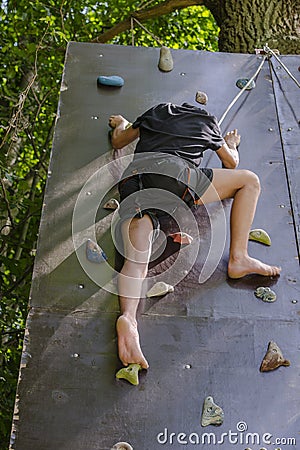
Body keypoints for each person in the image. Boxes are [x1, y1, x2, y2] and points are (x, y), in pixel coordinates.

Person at [109, 102, 281, 370]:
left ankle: (129, 317)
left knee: (136, 258)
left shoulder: (156, 112)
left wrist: (121, 121)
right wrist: (230, 142)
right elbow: (231, 162)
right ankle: (239, 257)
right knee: (249, 181)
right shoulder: (206, 121)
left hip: (137, 181)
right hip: (179, 178)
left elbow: (119, 140)